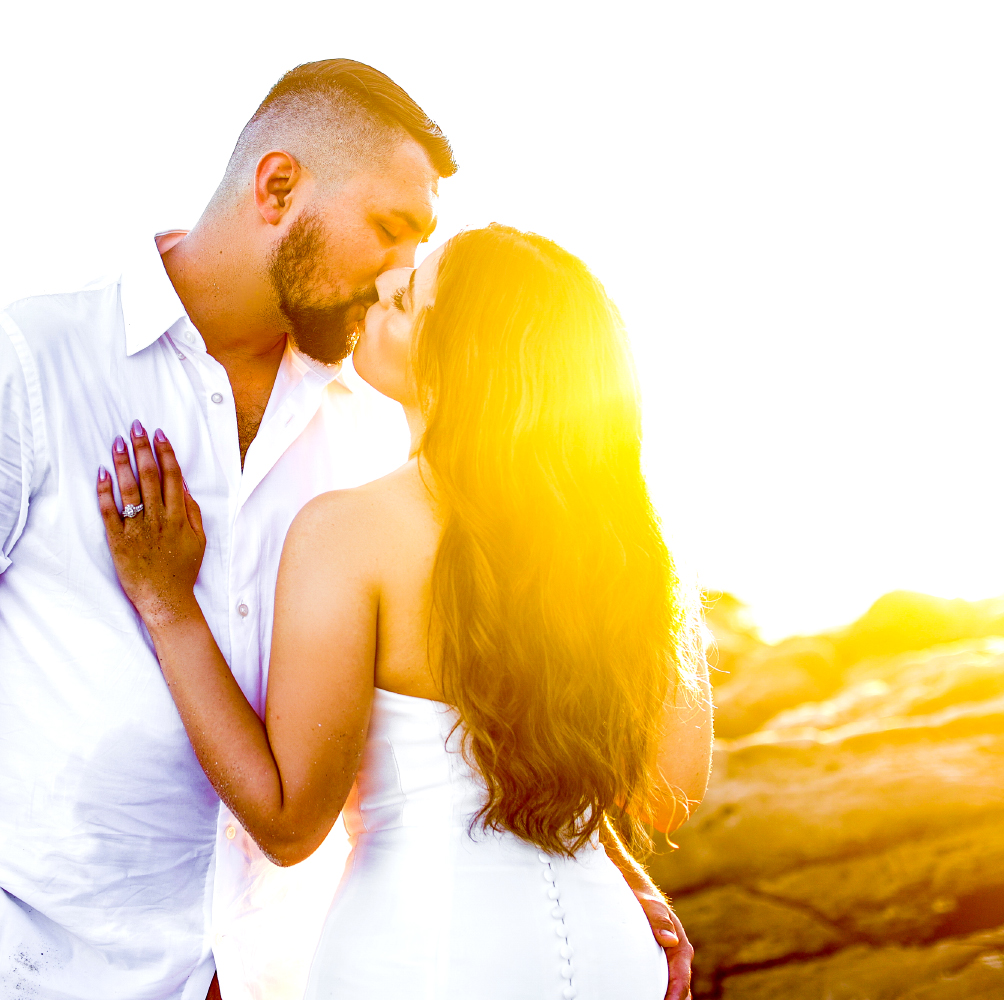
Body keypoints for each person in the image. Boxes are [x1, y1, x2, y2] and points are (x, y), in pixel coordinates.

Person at [0, 56, 694, 1000]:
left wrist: (609, 867)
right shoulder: (25, 358)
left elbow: (493, 683)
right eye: (388, 229)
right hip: (44, 965)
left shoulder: (382, 417)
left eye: (419, 250)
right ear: (279, 186)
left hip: (266, 971)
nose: (399, 271)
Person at [96, 224, 713, 999]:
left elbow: (288, 824)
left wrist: (166, 604)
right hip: (617, 955)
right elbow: (667, 791)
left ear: (462, 363)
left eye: (411, 297)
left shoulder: (352, 531)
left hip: (425, 953)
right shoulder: (635, 550)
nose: (386, 286)